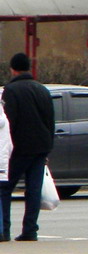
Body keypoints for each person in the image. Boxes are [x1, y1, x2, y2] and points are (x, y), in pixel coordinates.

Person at [1, 52, 54, 241]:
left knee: (4, 189)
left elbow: (9, 121)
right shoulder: (42, 90)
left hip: (19, 149)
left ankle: (3, 230)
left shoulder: (11, 90)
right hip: (40, 148)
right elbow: (50, 121)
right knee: (33, 191)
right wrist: (47, 148)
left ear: (13, 69)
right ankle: (30, 230)